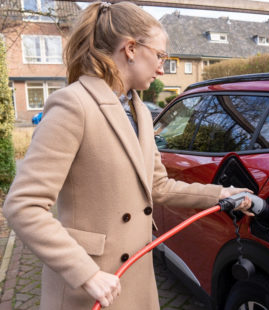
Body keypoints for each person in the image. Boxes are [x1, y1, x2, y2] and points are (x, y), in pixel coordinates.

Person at [3, 2, 254, 309]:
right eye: (160, 55)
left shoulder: (141, 113)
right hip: (90, 287)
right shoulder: (73, 105)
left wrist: (223, 194)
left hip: (135, 278)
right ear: (131, 48)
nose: (162, 67)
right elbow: (23, 206)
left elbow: (157, 186)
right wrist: (85, 273)